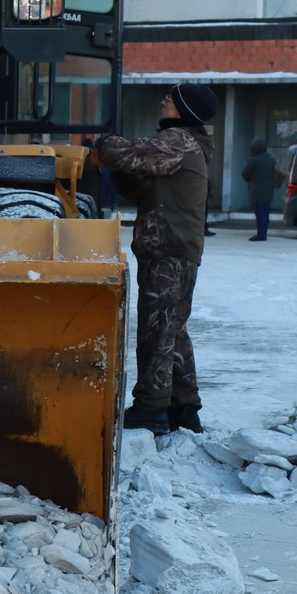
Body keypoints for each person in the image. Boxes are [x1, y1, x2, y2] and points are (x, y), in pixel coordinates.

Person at [88, 82, 218, 435]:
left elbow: (128, 150)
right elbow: (143, 187)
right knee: (173, 330)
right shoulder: (185, 146)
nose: (163, 101)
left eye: (170, 98)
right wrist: (117, 171)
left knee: (156, 331)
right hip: (174, 248)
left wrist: (101, 147)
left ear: (184, 110)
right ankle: (184, 407)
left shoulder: (178, 140)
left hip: (169, 250)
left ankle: (151, 409)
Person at [240, 138, 280, 241]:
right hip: (269, 190)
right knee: (266, 213)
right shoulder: (271, 159)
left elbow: (245, 175)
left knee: (259, 213)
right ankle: (264, 232)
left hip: (256, 191)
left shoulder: (253, 160)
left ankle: (261, 235)